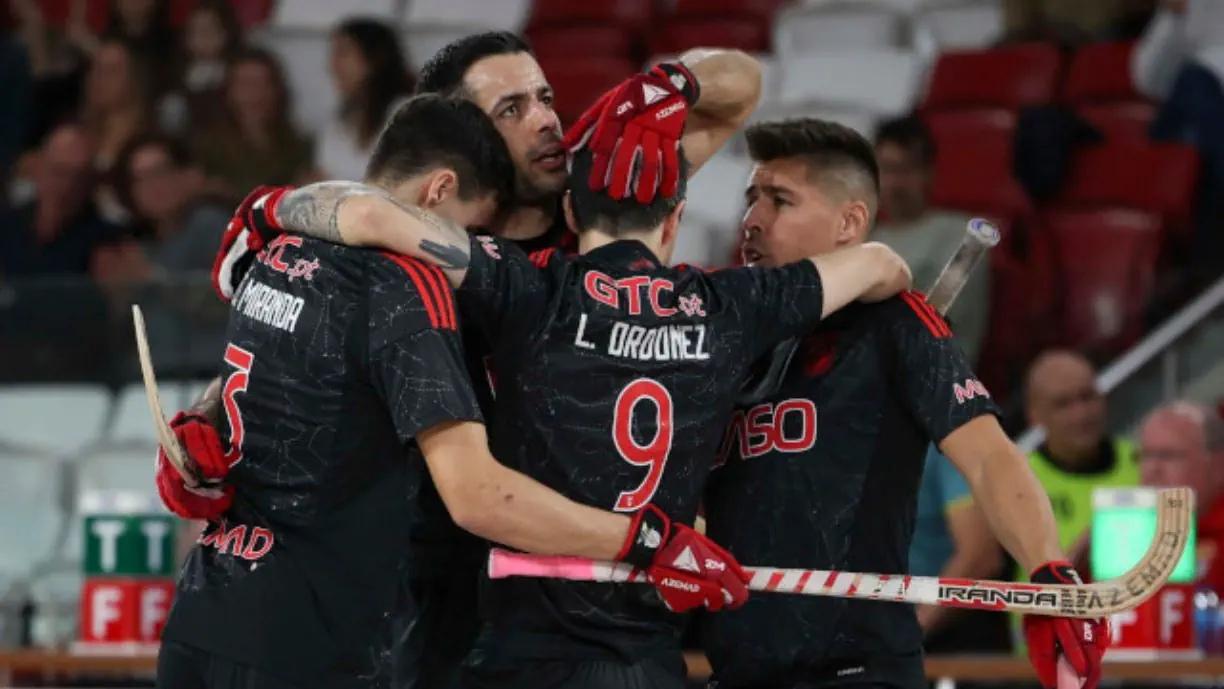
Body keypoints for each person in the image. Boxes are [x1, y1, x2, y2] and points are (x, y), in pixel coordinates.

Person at [233, 131, 911, 688]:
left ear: (570, 217)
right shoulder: (733, 305)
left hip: (519, 654)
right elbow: (880, 262)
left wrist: (267, 210)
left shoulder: (529, 287)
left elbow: (374, 214)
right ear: (676, 218)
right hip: (645, 663)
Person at [153, 95, 749, 689]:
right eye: (471, 227)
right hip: (309, 639)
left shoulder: (277, 249)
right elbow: (478, 496)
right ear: (439, 193)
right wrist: (649, 540)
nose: (464, 247)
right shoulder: (405, 284)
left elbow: (245, 391)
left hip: (205, 611)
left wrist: (196, 441)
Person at [704, 118, 1109, 689]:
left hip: (857, 673)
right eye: (751, 200)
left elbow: (991, 457)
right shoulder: (727, 338)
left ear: (850, 223)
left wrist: (1049, 571)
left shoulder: (897, 326)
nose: (753, 220)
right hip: (735, 671)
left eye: (780, 201)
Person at [871, 115, 989, 365]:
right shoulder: (866, 237)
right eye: (887, 169)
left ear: (929, 172)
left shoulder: (968, 239)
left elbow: (937, 322)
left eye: (908, 169)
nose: (895, 183)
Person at [1023, 349, 1140, 575]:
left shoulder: (1146, 464)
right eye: (1063, 404)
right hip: (1048, 610)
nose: (1081, 414)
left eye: (1087, 397)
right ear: (1034, 414)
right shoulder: (1017, 481)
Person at [1138, 401, 1224, 593]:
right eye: (1145, 455)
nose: (1152, 470)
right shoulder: (1123, 532)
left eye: (1168, 456)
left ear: (1218, 465)